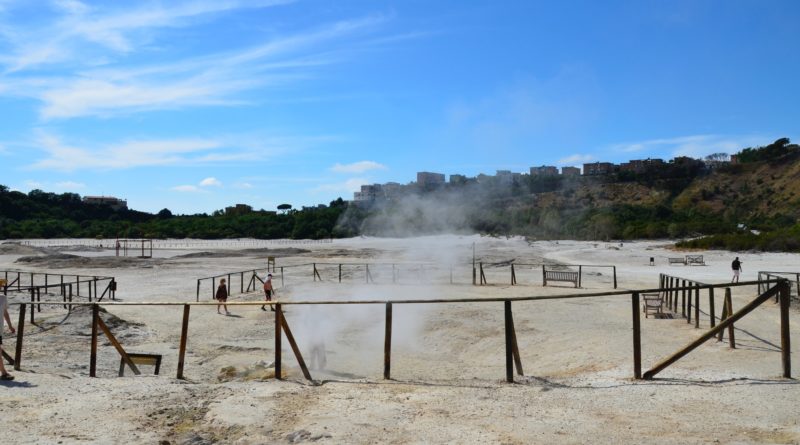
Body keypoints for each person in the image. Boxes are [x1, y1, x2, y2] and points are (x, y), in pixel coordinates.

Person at [0, 291, 15, 380]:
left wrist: (10, 326)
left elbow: (5, 312)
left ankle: (4, 373)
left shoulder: (2, 298)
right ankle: (4, 372)